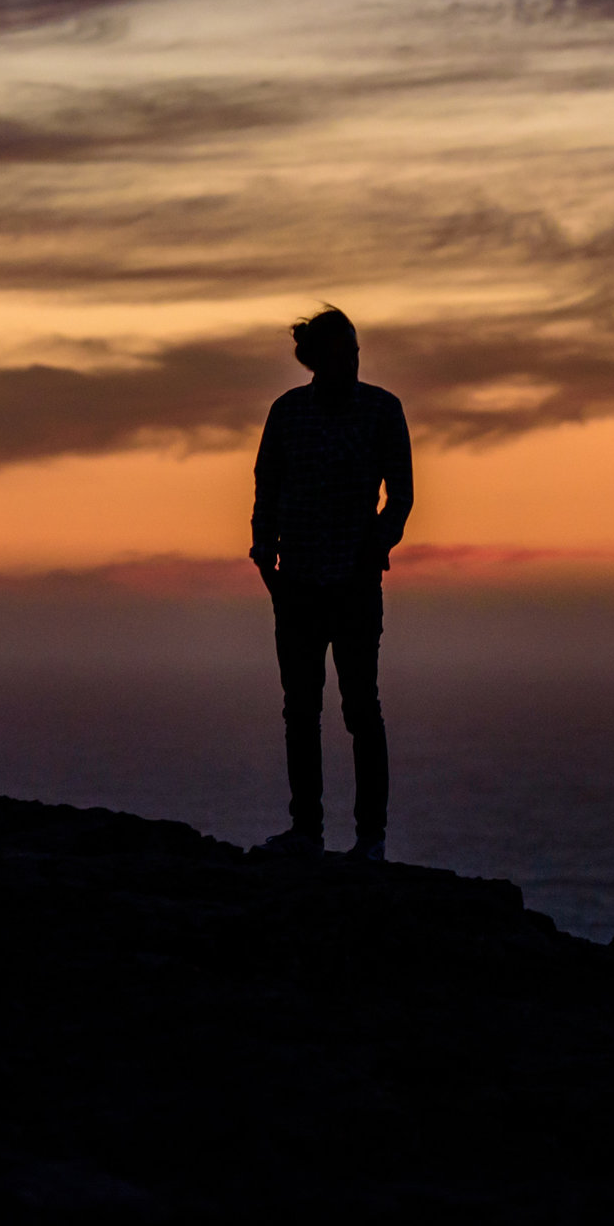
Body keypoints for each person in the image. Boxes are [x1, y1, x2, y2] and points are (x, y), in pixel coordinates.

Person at [248, 307, 413, 862]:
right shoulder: (287, 413)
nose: (353, 361)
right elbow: (266, 484)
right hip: (296, 580)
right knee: (301, 709)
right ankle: (307, 832)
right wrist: (262, 548)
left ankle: (371, 838)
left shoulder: (382, 409)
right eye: (344, 352)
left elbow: (403, 495)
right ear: (316, 359)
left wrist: (377, 546)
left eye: (356, 351)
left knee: (360, 707)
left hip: (353, 581)